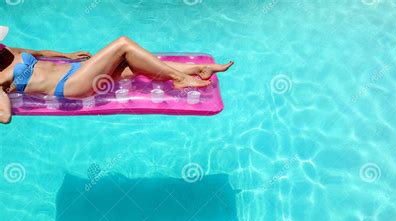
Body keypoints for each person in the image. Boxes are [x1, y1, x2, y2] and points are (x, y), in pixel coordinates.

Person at [0, 36, 234, 124]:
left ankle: (198, 68)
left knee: (133, 66)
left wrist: (66, 55)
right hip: (71, 86)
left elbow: (37, 52)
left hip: (75, 68)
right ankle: (181, 79)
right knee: (123, 45)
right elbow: (5, 117)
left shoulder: (8, 50)